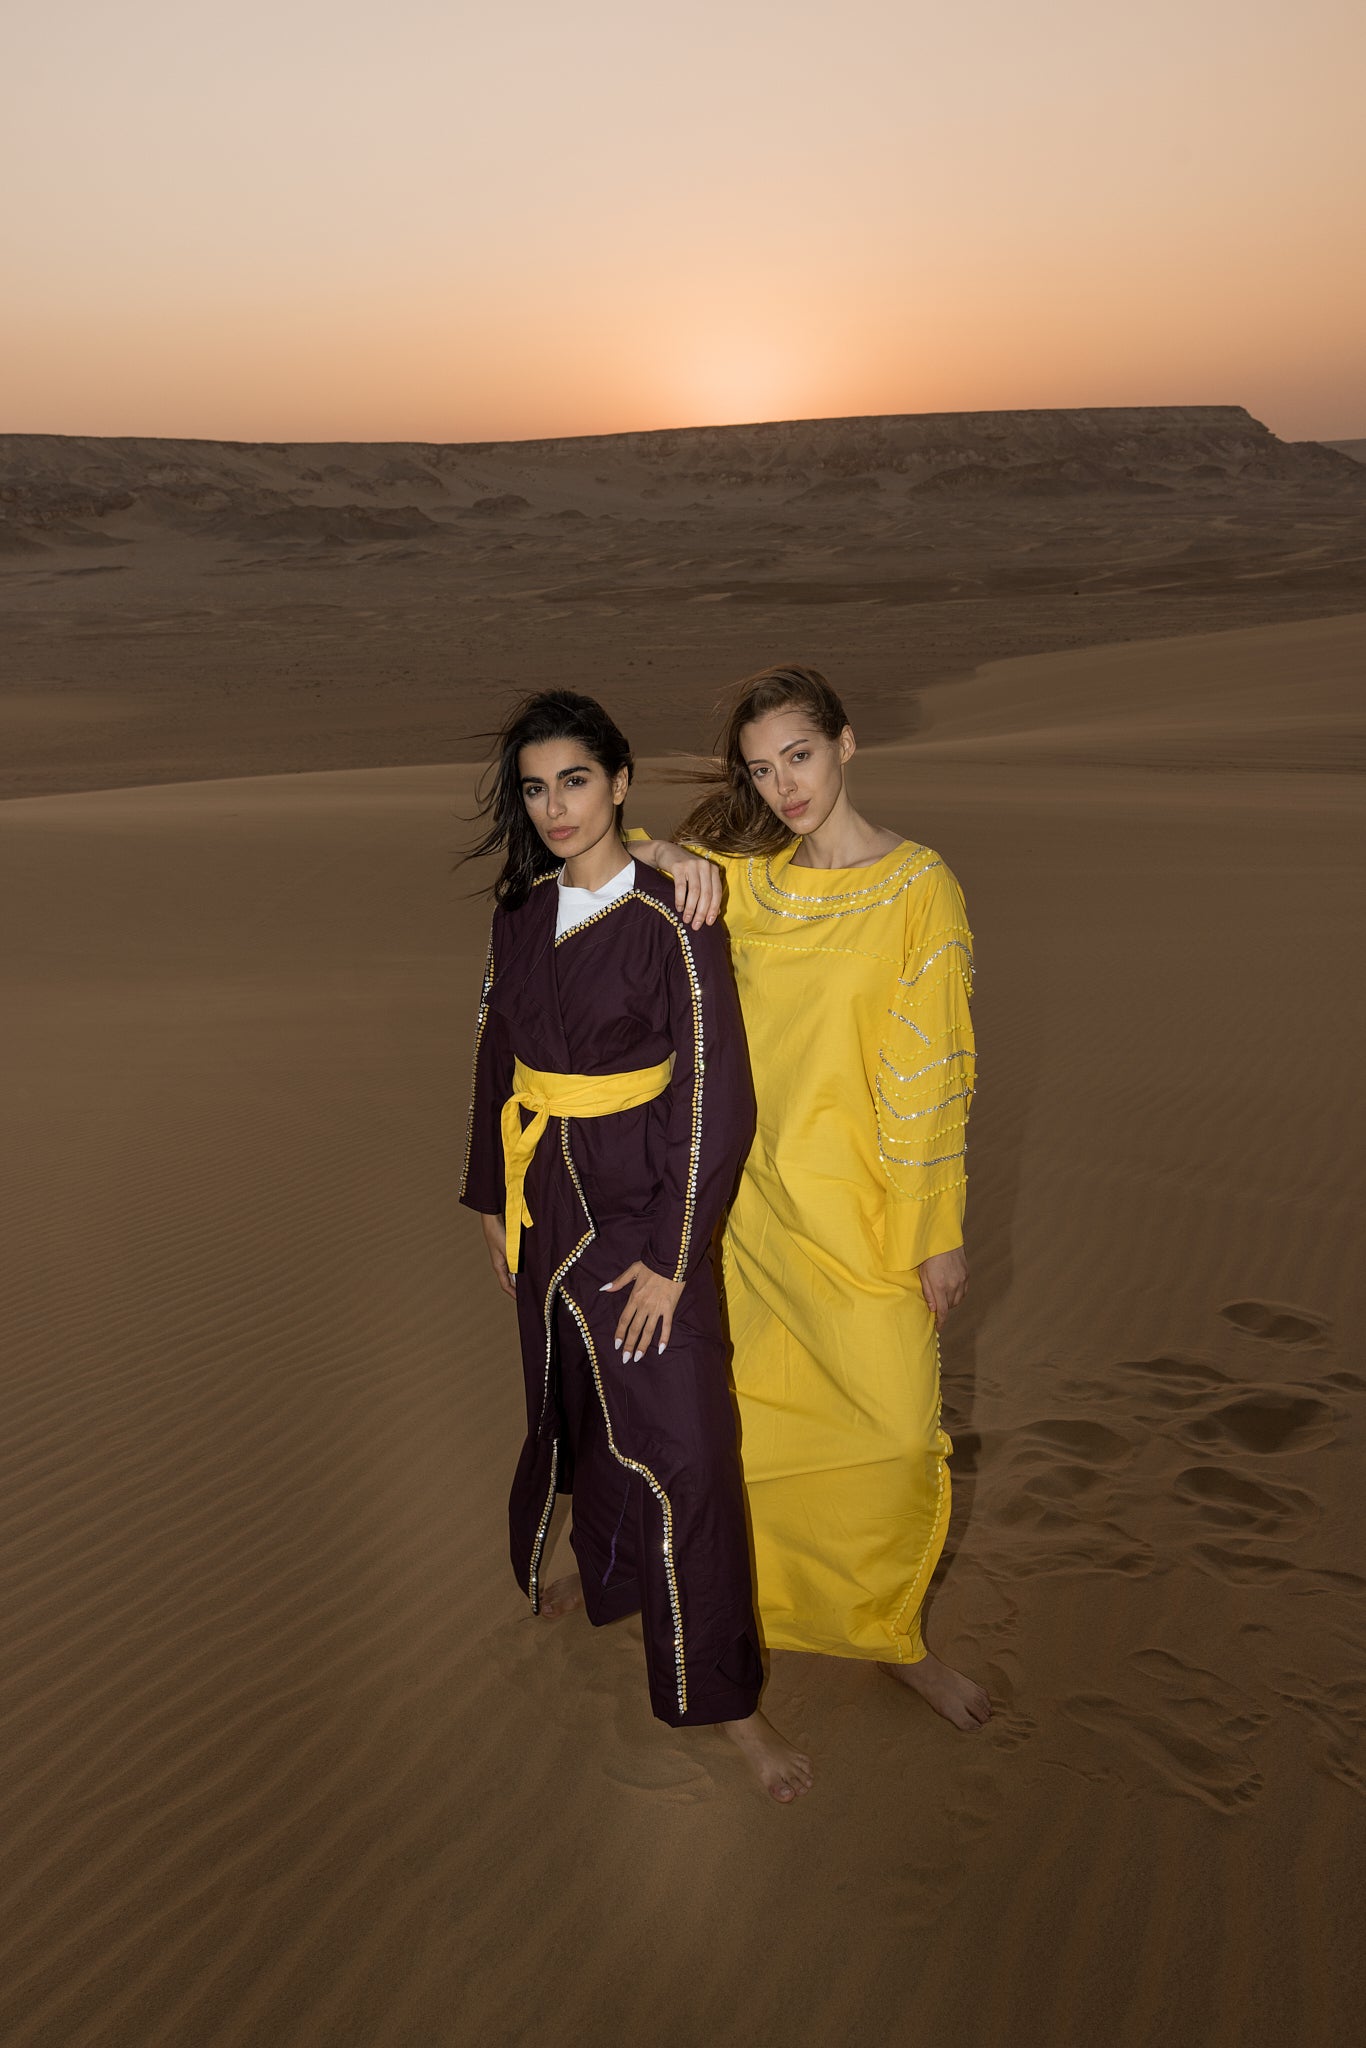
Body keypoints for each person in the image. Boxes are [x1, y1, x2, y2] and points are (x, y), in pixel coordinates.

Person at [459, 688, 814, 1800]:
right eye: (535, 788)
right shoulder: (519, 916)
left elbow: (717, 1093)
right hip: (544, 1208)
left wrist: (673, 1253)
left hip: (642, 1213)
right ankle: (610, 1577)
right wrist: (491, 1199)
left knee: (687, 1450)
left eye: (575, 780)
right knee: (574, 1405)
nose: (555, 807)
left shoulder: (673, 913)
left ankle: (728, 1699)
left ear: (618, 783)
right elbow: (494, 1056)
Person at [632, 666, 991, 1730]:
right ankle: (754, 1612)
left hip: (870, 1217)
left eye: (798, 756)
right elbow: (629, 870)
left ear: (845, 743)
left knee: (895, 1433)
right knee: (759, 1434)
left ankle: (892, 1630)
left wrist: (935, 1234)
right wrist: (663, 854)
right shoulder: (750, 883)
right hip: (755, 1219)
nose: (783, 785)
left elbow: (934, 1069)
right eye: (760, 770)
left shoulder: (919, 886)